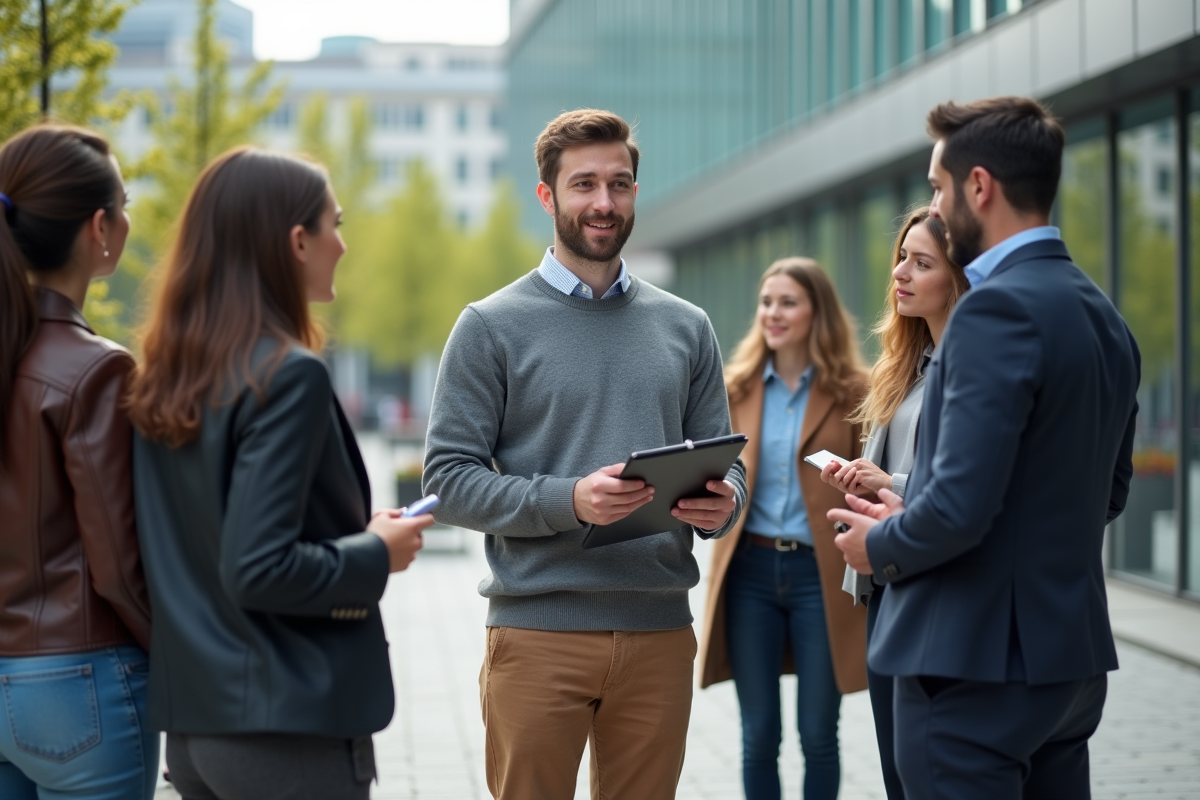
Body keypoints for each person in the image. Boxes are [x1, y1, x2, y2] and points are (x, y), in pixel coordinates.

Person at [422, 109, 747, 800]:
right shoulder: (488, 327)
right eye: (584, 185)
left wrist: (724, 503)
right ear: (548, 196)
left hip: (660, 634)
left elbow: (728, 464)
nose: (604, 203)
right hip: (538, 632)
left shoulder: (687, 327)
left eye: (620, 184)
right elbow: (447, 481)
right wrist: (568, 500)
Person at [828, 96, 1140, 799]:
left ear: (979, 187)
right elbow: (1107, 493)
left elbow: (959, 508)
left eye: (939, 189)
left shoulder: (992, 311)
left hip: (969, 665)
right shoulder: (1103, 317)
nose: (936, 209)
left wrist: (876, 547)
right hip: (1067, 666)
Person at [126, 147, 431, 800]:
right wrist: (375, 552)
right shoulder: (288, 374)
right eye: (335, 224)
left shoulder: (164, 377)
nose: (343, 246)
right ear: (297, 241)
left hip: (196, 733)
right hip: (287, 734)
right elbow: (258, 566)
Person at [0, 124, 156, 800]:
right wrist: (179, 660)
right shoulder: (95, 370)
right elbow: (119, 564)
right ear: (100, 227)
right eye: (124, 204)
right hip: (80, 684)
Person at [697, 257, 868, 800]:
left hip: (822, 575)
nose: (773, 313)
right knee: (758, 735)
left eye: (788, 302)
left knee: (819, 733)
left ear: (817, 312)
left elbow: (872, 484)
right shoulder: (735, 389)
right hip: (750, 570)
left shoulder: (854, 392)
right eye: (767, 301)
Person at [818, 207, 968, 799]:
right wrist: (866, 479)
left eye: (921, 262)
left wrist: (890, 484)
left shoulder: (971, 370)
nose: (901, 273)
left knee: (929, 774)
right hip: (887, 587)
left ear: (959, 278)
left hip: (937, 590)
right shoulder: (908, 366)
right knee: (896, 773)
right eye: (901, 257)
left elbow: (973, 488)